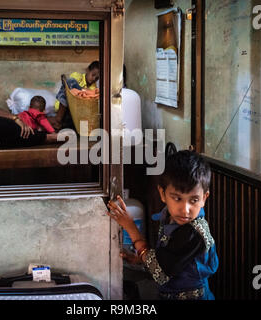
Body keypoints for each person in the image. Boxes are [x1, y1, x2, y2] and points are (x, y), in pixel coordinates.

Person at [106, 150, 219, 300]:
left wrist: (131, 228)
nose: (185, 210)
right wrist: (141, 259)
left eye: (193, 200)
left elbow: (160, 271)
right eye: (177, 198)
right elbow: (167, 257)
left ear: (204, 198)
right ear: (162, 194)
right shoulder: (168, 215)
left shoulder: (193, 232)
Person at [49, 61, 100, 131]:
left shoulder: (93, 87)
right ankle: (59, 118)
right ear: (88, 70)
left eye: (97, 78)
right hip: (66, 106)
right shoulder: (77, 76)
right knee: (70, 82)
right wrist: (84, 92)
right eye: (93, 75)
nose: (94, 79)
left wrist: (82, 92)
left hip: (76, 111)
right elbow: (69, 89)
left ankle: (60, 123)